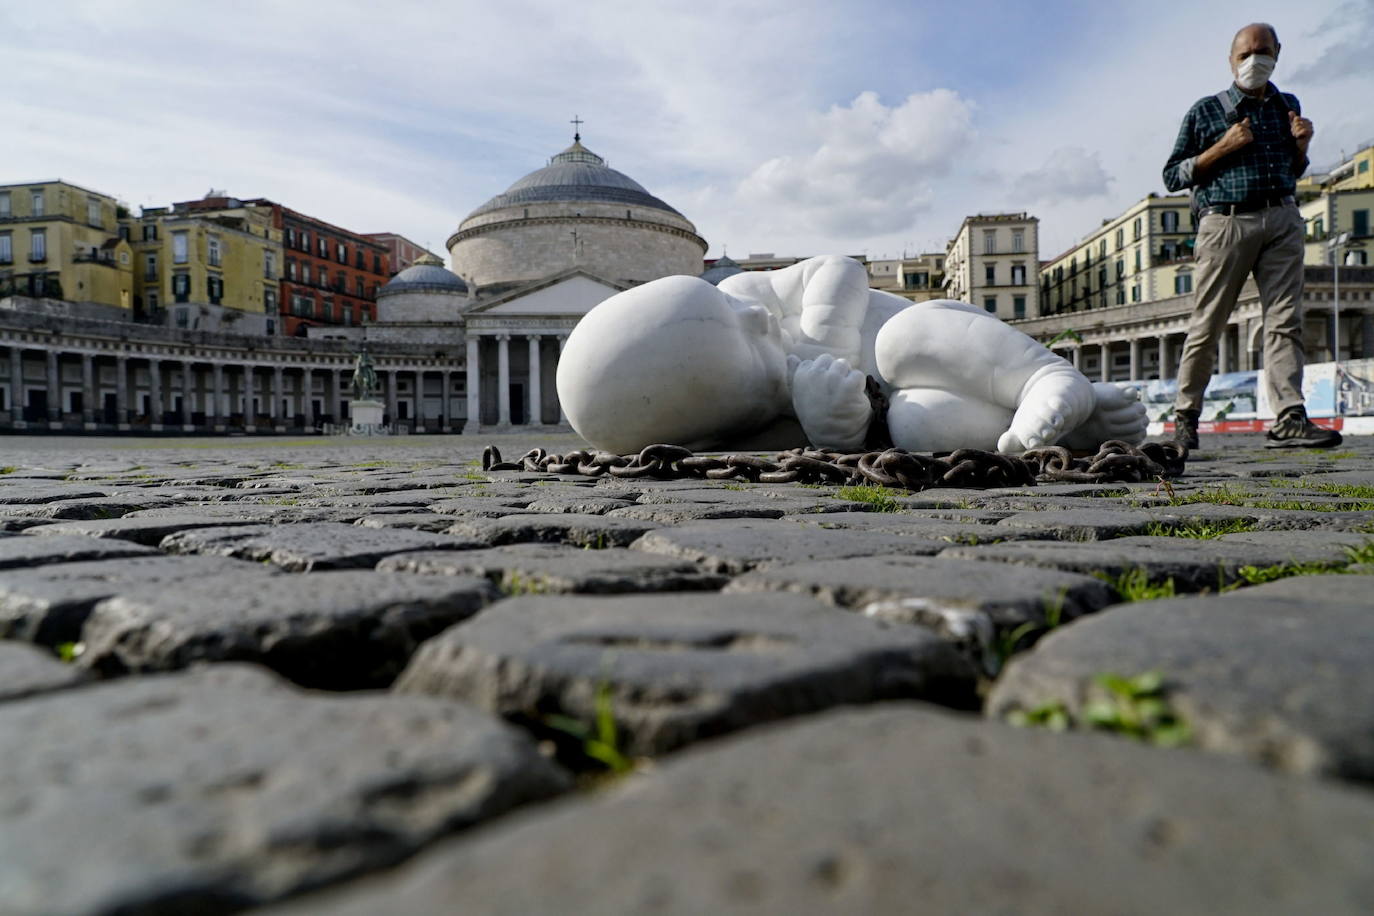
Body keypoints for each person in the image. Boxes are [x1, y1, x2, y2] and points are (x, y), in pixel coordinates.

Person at [556, 255, 1146, 455]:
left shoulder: (746, 296)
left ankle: (1044, 378)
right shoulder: (745, 424)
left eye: (722, 305)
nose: (758, 319)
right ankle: (1074, 426)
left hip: (949, 343)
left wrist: (824, 341)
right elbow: (821, 444)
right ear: (715, 422)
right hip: (914, 400)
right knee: (917, 426)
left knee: (901, 341)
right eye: (744, 339)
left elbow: (836, 267)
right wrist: (829, 426)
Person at [1162, 22, 1340, 449]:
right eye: (1244, 54)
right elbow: (1172, 175)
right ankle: (1186, 418)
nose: (1253, 60)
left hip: (1281, 216)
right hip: (1226, 222)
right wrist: (1222, 147)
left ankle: (1290, 416)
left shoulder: (1288, 106)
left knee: (1285, 321)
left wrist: (1302, 146)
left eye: (1262, 51)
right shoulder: (1205, 111)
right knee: (1208, 323)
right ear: (1231, 60)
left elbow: (1292, 171)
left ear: (1278, 52)